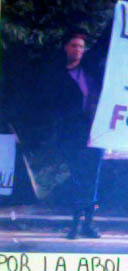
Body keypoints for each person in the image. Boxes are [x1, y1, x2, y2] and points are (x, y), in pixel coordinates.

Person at [43, 31, 103, 239]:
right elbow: (54, 107)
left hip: (96, 130)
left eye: (81, 47)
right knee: (78, 178)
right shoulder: (58, 75)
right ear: (66, 48)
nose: (78, 50)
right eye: (74, 46)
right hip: (73, 133)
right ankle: (75, 224)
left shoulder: (92, 71)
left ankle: (89, 224)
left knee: (93, 178)